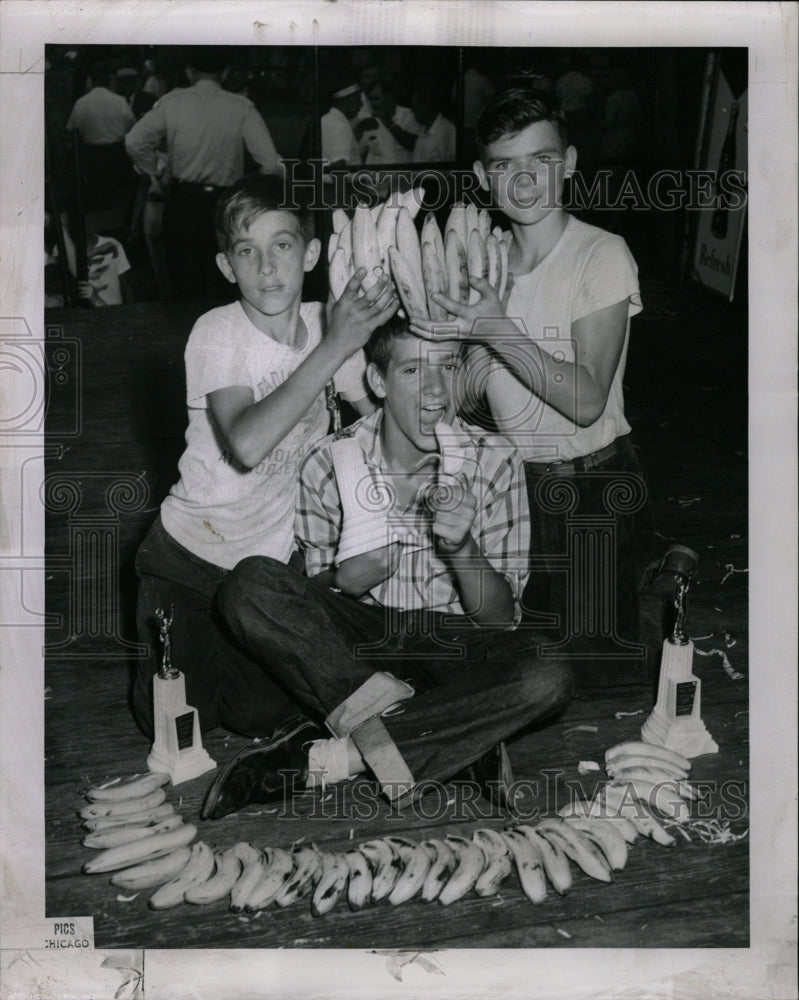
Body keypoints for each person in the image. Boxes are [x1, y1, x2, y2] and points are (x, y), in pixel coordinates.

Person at [201, 318, 575, 820]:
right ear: (377, 381)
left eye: (447, 366)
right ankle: (455, 738)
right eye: (413, 369)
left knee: (547, 674)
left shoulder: (498, 460)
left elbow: (500, 620)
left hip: (456, 642)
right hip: (361, 648)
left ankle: (337, 757)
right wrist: (342, 582)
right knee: (248, 584)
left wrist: (462, 547)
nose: (436, 390)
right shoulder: (327, 462)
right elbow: (313, 605)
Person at [132, 173, 399, 740]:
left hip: (268, 568)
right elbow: (248, 444)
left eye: (282, 245)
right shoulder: (216, 333)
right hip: (188, 558)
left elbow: (376, 425)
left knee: (259, 717)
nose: (268, 267)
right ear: (227, 267)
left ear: (312, 254)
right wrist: (337, 345)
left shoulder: (330, 321)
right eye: (246, 252)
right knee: (178, 729)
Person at [407, 88, 654, 687]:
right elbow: (472, 396)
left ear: (568, 162)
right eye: (504, 166)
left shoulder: (601, 254)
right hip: (515, 489)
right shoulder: (477, 266)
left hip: (592, 489)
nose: (522, 181)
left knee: (591, 677)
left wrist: (495, 326)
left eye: (540, 161)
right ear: (481, 178)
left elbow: (587, 397)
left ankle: (654, 581)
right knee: (516, 660)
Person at [124, 46, 282, 301]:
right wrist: (247, 193)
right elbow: (272, 163)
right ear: (226, 72)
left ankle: (185, 337)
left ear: (189, 71)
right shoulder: (241, 107)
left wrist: (159, 169)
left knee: (185, 286)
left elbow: (134, 142)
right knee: (228, 283)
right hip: (226, 206)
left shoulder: (171, 102)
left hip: (182, 203)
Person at [66, 58, 137, 225]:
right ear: (110, 79)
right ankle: (118, 232)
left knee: (96, 202)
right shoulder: (119, 102)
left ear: (91, 79)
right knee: (116, 200)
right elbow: (133, 128)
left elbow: (71, 131)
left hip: (91, 159)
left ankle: (97, 233)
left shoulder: (81, 103)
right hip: (116, 157)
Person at [358, 81, 421, 165]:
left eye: (377, 98)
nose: (373, 103)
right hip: (376, 177)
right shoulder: (370, 121)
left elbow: (414, 145)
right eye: (371, 100)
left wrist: (388, 123)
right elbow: (357, 151)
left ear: (390, 97)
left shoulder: (409, 116)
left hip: (403, 176)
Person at [320, 84, 363, 170]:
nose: (361, 105)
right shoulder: (341, 125)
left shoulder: (324, 119)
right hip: (344, 182)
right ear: (347, 100)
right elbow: (338, 167)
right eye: (358, 100)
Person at [411, 84, 457, 162]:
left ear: (426, 106)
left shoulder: (448, 130)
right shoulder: (423, 129)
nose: (413, 112)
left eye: (415, 108)